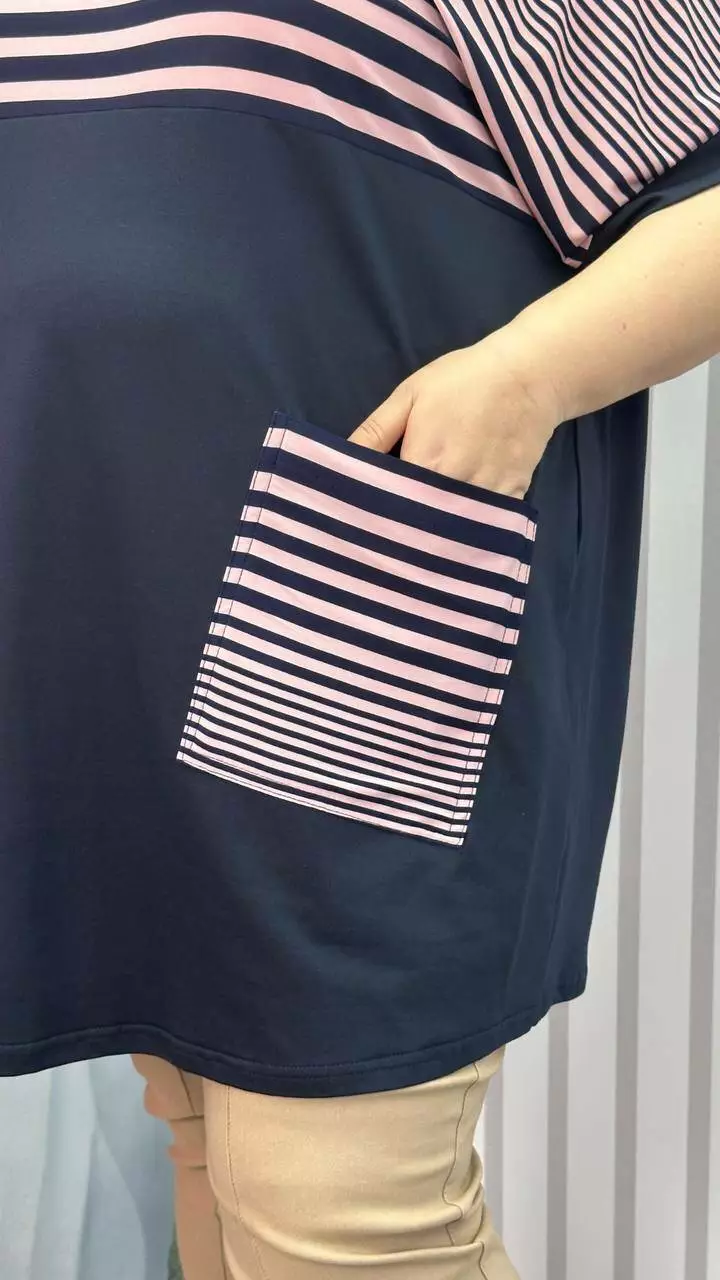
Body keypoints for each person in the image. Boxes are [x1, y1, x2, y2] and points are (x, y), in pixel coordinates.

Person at [1, 3, 719, 1277]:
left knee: (338, 1208)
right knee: (204, 1138)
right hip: (90, 613)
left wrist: (523, 379)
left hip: (344, 594)